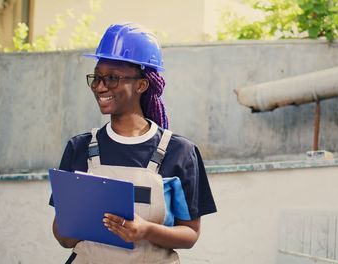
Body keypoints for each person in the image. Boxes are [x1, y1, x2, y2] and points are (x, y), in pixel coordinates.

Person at [50, 22, 217, 264]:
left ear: (141, 84)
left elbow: (190, 234)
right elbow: (62, 235)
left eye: (112, 78)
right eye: (96, 77)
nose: (99, 86)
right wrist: (69, 227)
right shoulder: (80, 148)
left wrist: (146, 231)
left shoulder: (179, 152)